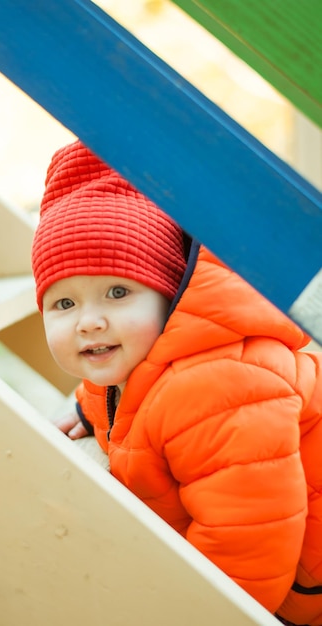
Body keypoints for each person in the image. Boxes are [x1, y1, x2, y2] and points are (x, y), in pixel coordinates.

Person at [31, 139, 322, 626]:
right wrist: (88, 409)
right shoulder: (134, 363)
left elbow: (250, 544)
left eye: (117, 292)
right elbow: (122, 392)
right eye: (65, 304)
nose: (89, 322)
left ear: (172, 298)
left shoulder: (216, 386)